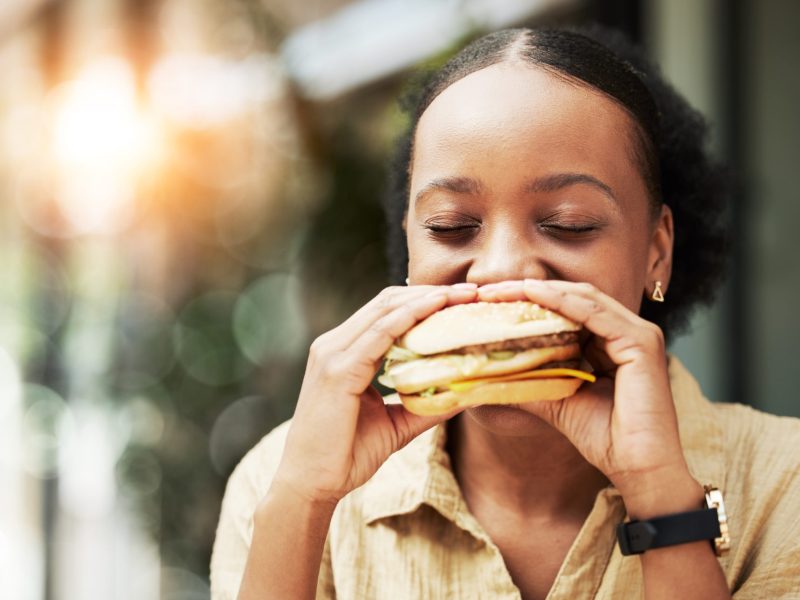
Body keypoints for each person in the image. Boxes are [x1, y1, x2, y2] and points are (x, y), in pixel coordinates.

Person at [210, 26, 800, 600]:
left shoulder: (783, 484)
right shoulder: (279, 481)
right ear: (410, 244)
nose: (500, 269)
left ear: (657, 252)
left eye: (569, 223)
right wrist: (302, 503)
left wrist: (662, 498)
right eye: (451, 226)